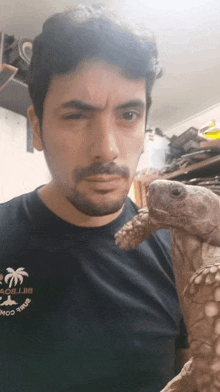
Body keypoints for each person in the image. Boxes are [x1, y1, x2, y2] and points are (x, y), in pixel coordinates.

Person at [0, 4, 187, 392]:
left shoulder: (180, 255)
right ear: (37, 127)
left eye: (129, 115)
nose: (106, 149)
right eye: (76, 115)